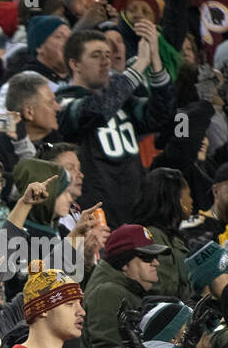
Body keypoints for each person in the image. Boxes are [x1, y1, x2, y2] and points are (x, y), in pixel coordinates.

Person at [56, 26, 176, 226]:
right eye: (96, 55)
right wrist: (139, 66)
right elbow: (98, 110)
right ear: (75, 64)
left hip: (135, 213)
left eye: (107, 55)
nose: (105, 61)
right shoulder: (63, 104)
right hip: (94, 217)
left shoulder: (123, 104)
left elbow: (162, 115)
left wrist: (155, 62)